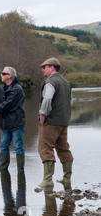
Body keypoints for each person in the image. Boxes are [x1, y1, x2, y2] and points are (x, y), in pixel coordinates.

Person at [36, 57, 73, 190]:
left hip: (51, 122)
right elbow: (70, 102)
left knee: (45, 148)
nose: (42, 70)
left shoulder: (51, 82)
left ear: (52, 68)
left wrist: (43, 114)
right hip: (64, 121)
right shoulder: (66, 82)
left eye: (44, 67)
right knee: (63, 148)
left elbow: (47, 98)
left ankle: (47, 180)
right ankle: (67, 178)